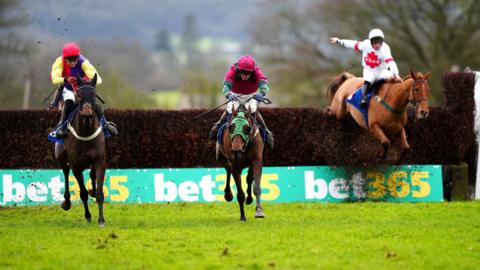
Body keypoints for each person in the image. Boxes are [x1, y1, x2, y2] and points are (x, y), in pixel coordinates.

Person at [49, 42, 117, 137]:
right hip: (68, 88)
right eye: (70, 60)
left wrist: (86, 80)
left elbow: (99, 80)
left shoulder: (83, 62)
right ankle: (61, 126)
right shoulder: (59, 62)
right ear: (65, 58)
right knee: (69, 101)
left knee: (92, 102)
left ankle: (105, 123)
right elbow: (55, 79)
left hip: (82, 88)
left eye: (75, 59)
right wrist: (65, 79)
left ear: (78, 57)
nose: (73, 62)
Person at [209, 55, 274, 150]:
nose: (245, 75)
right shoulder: (233, 69)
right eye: (243, 72)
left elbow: (264, 83)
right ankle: (218, 124)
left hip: (251, 95)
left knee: (253, 108)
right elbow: (226, 85)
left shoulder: (256, 70)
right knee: (230, 109)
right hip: (235, 94)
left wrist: (262, 93)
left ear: (252, 71)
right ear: (239, 70)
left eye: (247, 73)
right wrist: (228, 94)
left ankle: (267, 131)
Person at [330, 28, 401, 108]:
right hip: (369, 70)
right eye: (375, 43)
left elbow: (390, 61)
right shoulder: (365, 45)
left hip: (382, 71)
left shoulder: (385, 48)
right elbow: (353, 44)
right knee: (368, 80)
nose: (377, 45)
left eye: (379, 43)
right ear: (371, 42)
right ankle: (363, 98)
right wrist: (339, 41)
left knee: (394, 80)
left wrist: (395, 74)